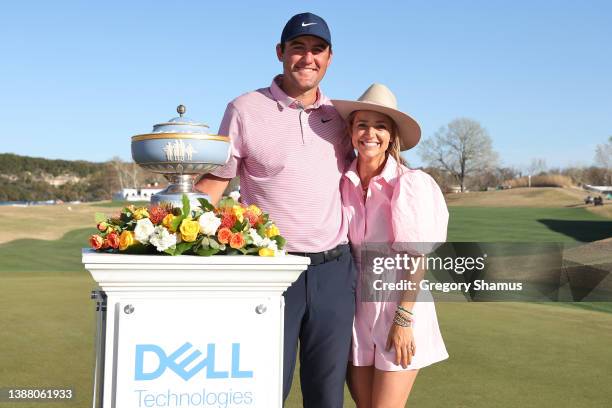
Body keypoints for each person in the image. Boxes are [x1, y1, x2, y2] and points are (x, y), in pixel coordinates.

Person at [195, 12, 356, 408]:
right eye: (298, 48)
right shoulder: (244, 109)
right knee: (264, 392)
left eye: (317, 50)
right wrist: (165, 227)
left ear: (330, 57)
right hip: (272, 272)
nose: (308, 58)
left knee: (327, 397)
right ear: (280, 52)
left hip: (335, 270)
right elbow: (215, 184)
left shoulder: (341, 117)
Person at [333, 83, 449, 407]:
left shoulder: (410, 184)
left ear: (392, 135)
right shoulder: (341, 180)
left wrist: (403, 318)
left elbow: (416, 257)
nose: (371, 133)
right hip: (356, 308)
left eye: (381, 126)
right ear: (351, 130)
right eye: (363, 125)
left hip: (399, 303)